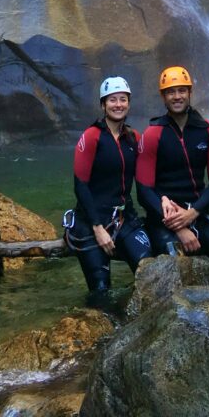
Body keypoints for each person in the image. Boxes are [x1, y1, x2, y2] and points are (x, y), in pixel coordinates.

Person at [135, 65, 209, 270]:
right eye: (170, 92)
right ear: (163, 96)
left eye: (181, 90)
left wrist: (192, 213)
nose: (177, 96)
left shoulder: (208, 131)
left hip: (198, 213)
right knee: (176, 267)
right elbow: (143, 190)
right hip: (163, 217)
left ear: (189, 93)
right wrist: (178, 226)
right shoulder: (153, 135)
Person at [64, 76, 152, 296]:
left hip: (124, 218)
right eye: (112, 100)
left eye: (123, 99)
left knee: (151, 276)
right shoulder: (91, 137)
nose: (118, 104)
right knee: (101, 292)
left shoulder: (133, 138)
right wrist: (97, 227)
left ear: (129, 103)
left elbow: (149, 177)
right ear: (103, 105)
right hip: (92, 221)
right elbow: (80, 185)